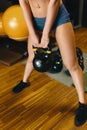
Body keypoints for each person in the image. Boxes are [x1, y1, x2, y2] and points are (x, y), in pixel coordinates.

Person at [12, 0, 87, 126]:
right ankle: (25, 81)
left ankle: (83, 104)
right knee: (32, 56)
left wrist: (46, 34)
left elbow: (54, 3)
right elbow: (24, 3)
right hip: (35, 19)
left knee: (72, 65)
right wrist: (32, 32)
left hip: (58, 18)